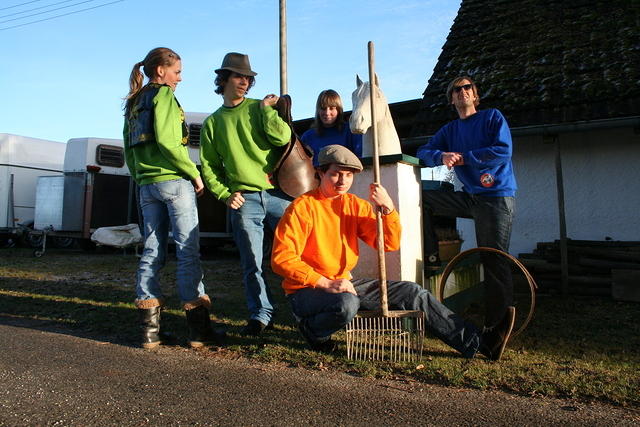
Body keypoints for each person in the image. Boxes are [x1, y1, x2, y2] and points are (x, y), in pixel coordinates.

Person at [271, 145, 515, 360]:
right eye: (335, 173)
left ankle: (480, 343)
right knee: (347, 304)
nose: (342, 181)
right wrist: (324, 282)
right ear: (321, 172)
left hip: (344, 282)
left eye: (348, 175)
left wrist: (388, 208)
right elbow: (282, 259)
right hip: (306, 290)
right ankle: (313, 331)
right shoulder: (302, 208)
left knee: (413, 292)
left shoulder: (355, 206)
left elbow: (387, 243)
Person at [123, 47, 223, 349]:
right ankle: (197, 331)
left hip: (147, 185)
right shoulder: (163, 96)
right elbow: (169, 142)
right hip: (173, 183)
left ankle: (149, 332)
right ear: (160, 71)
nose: (180, 78)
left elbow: (128, 148)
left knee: (152, 250)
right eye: (177, 72)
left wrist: (140, 177)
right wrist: (193, 172)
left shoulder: (134, 101)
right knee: (187, 251)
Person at [199, 52, 292, 336]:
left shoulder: (258, 107)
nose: (244, 82)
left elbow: (283, 138)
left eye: (248, 78)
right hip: (244, 200)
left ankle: (308, 313)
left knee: (299, 256)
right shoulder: (213, 123)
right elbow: (210, 167)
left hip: (279, 194)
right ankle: (261, 315)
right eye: (239, 77)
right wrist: (225, 194)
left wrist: (266, 110)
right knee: (252, 263)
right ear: (224, 79)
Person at [416, 75, 517, 332]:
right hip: (470, 197)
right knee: (423, 197)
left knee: (493, 260)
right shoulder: (450, 130)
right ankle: (432, 255)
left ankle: (497, 327)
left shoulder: (492, 117)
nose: (462, 91)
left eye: (467, 87)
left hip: (496, 197)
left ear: (474, 94)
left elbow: (503, 151)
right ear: (451, 99)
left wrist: (464, 159)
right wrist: (441, 155)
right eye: (456, 89)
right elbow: (422, 153)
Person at [301, 89, 363, 166]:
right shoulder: (307, 137)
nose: (327, 113)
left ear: (339, 110)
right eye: (323, 108)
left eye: (331, 108)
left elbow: (360, 161)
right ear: (318, 111)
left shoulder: (351, 132)